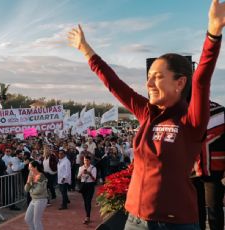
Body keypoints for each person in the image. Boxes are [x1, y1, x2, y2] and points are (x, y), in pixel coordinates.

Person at [67, 0, 225, 228]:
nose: (149, 82)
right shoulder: (146, 112)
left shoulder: (191, 119)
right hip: (135, 219)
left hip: (175, 223)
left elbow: (201, 79)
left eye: (158, 77)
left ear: (180, 82)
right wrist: (85, 49)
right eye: (149, 76)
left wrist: (213, 33)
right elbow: (114, 83)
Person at [192, 101, 225, 230]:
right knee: (195, 210)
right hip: (191, 171)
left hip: (214, 171)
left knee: (214, 209)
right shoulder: (183, 112)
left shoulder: (221, 112)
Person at [24, 161, 48, 230]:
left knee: (36, 221)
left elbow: (38, 191)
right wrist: (28, 182)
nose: (29, 169)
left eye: (30, 167)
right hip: (33, 200)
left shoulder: (42, 176)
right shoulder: (31, 175)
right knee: (27, 218)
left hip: (41, 200)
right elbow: (26, 189)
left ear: (35, 167)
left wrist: (30, 190)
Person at [77, 155, 97, 224]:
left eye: (87, 160)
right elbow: (78, 178)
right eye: (85, 160)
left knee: (88, 201)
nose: (86, 162)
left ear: (90, 161)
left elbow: (94, 179)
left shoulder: (93, 168)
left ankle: (87, 217)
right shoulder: (80, 168)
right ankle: (87, 215)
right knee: (85, 201)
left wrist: (89, 173)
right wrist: (82, 173)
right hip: (83, 185)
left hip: (90, 185)